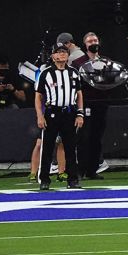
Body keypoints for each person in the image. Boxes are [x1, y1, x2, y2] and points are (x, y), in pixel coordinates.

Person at [33, 44, 83, 190]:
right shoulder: (46, 73)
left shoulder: (74, 72)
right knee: (47, 147)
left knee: (70, 147)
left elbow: (79, 94)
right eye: (58, 52)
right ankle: (44, 179)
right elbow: (38, 96)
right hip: (52, 113)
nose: (61, 54)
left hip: (69, 112)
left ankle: (73, 179)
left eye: (64, 52)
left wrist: (80, 113)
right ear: (53, 56)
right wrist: (40, 116)